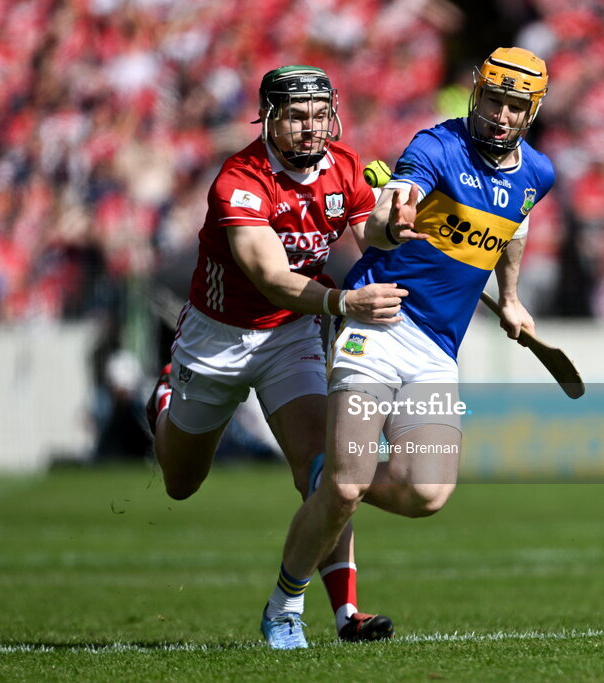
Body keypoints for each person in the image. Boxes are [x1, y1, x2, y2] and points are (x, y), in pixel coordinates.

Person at [261, 47, 555, 648]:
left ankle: (335, 468)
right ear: (478, 94)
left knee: (427, 493)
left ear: (532, 111)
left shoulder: (538, 173)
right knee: (344, 491)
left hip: (436, 350)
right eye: (493, 100)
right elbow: (390, 206)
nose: (500, 115)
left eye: (514, 106)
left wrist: (513, 295)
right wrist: (393, 220)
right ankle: (284, 608)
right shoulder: (436, 147)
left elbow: (515, 225)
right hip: (378, 322)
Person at [146, 65, 420, 648]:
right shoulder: (238, 180)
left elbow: (369, 232)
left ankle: (343, 613)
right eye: (296, 116)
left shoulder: (344, 166)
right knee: (180, 482)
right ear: (268, 118)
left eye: (320, 115)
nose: (310, 128)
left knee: (328, 475)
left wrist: (393, 224)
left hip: (291, 335)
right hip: (217, 338)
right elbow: (271, 277)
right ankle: (165, 398)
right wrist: (346, 300)